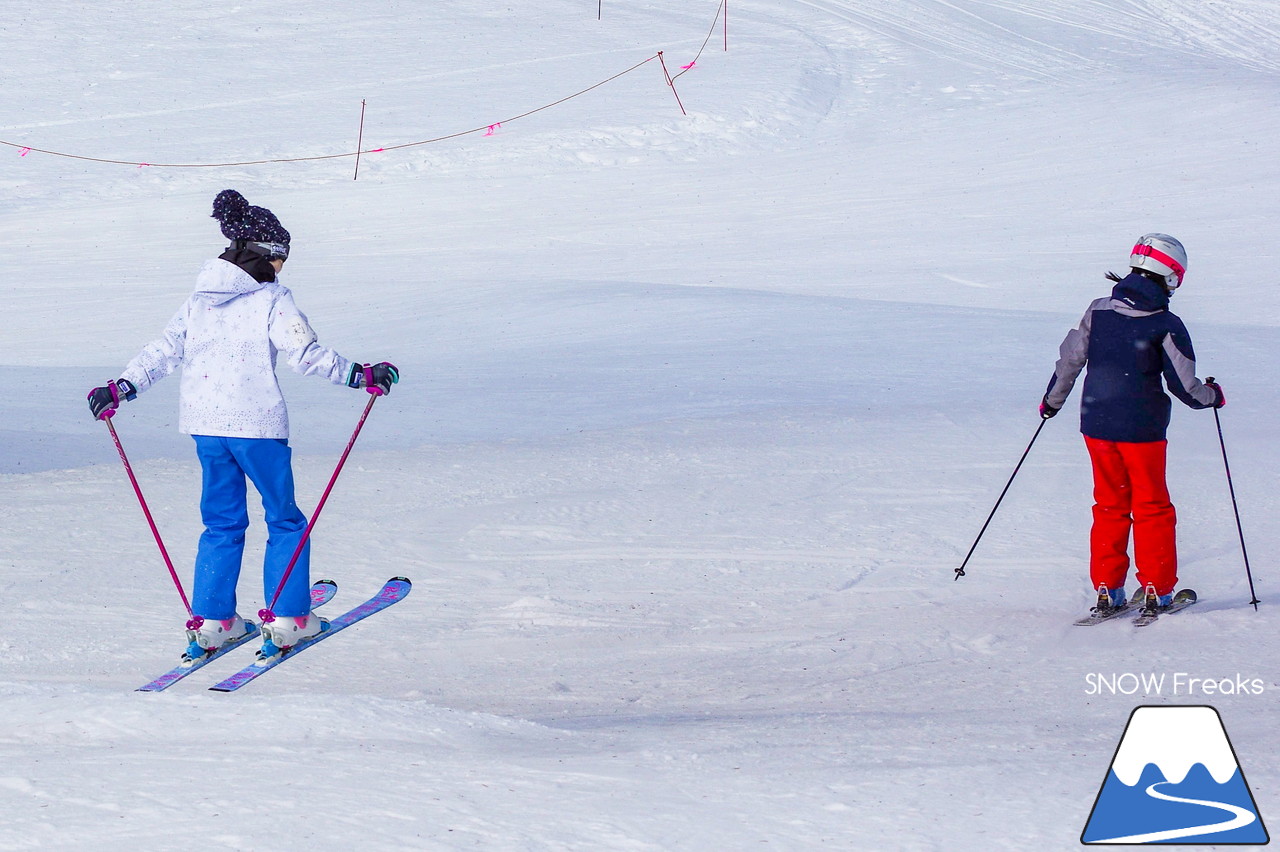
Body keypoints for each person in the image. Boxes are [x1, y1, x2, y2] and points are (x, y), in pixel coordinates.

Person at [87, 189, 399, 661]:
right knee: (286, 520)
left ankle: (214, 621)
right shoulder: (272, 298)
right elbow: (304, 354)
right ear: (267, 255)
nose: (282, 270)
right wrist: (360, 375)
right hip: (256, 427)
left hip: (206, 426)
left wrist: (122, 388)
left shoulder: (199, 300)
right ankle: (290, 617)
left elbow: (163, 350)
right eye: (282, 260)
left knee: (222, 522)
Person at [1039, 233, 1223, 617]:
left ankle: (1108, 589)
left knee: (1109, 505)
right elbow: (1186, 387)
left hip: (1097, 424)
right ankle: (1157, 590)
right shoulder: (1166, 323)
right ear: (1170, 276)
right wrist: (1213, 396)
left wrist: (1051, 403)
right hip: (1142, 431)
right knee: (1152, 507)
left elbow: (1069, 361)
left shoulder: (1098, 311)